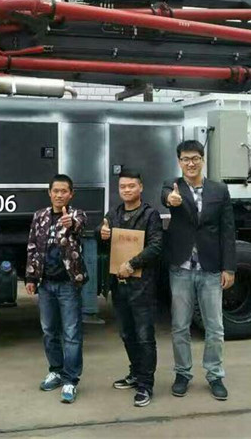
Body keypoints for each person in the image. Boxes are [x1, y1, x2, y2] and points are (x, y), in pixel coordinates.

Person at [161, 140, 236, 401]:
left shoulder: (219, 190)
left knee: (215, 327)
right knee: (179, 326)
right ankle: (182, 373)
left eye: (195, 158)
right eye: (185, 159)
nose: (190, 163)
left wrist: (229, 267)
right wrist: (170, 199)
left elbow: (228, 231)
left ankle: (215, 375)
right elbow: (165, 197)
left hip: (211, 268)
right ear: (179, 162)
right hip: (181, 268)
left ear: (202, 160)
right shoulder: (172, 186)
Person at [97, 170, 163, 408]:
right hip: (119, 285)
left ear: (141, 187)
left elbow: (156, 247)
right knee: (127, 333)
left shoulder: (150, 215)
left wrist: (132, 264)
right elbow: (101, 240)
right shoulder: (113, 214)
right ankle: (135, 373)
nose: (126, 190)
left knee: (144, 336)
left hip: (142, 286)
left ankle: (146, 384)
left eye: (131, 186)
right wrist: (102, 233)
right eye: (123, 186)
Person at [25, 174, 88, 404]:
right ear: (49, 193)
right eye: (56, 191)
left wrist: (71, 223)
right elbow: (32, 247)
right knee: (49, 331)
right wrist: (31, 277)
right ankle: (56, 371)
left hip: (68, 284)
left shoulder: (76, 215)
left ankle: (71, 380)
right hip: (45, 284)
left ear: (71, 194)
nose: (59, 195)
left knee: (71, 333)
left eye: (64, 191)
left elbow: (80, 226)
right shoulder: (39, 216)